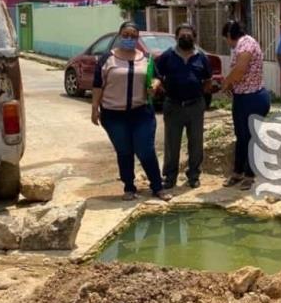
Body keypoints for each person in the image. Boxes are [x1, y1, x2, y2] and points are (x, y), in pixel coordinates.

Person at [91, 21, 171, 201]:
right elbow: (97, 85)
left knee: (145, 150)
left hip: (141, 112)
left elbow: (157, 78)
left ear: (137, 38)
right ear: (119, 36)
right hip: (113, 115)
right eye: (125, 35)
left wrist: (155, 85)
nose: (129, 39)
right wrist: (95, 108)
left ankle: (157, 187)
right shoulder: (107, 59)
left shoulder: (146, 58)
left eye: (133, 36)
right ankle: (129, 187)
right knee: (124, 151)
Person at [153, 23, 212, 190]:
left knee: (196, 142)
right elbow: (157, 76)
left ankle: (194, 175)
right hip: (173, 105)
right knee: (172, 143)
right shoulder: (167, 56)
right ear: (176, 38)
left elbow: (208, 80)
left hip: (195, 105)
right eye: (182, 36)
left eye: (189, 36)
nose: (185, 38)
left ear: (194, 38)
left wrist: (202, 95)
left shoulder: (201, 57)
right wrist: (164, 91)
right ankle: (170, 177)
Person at [220, 20, 271, 191]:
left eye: (226, 39)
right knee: (241, 137)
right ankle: (238, 172)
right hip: (243, 97)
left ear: (229, 35)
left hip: (253, 98)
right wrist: (232, 85)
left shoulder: (245, 44)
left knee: (250, 138)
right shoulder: (244, 44)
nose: (227, 43)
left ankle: (250, 175)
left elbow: (240, 69)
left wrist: (227, 83)